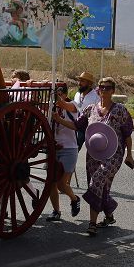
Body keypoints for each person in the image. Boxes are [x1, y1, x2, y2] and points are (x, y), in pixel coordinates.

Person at [73, 77, 134, 236]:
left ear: (113, 91)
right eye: (101, 87)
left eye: (107, 88)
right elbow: (77, 126)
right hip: (93, 154)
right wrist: (58, 119)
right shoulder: (90, 109)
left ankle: (92, 224)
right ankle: (109, 216)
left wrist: (130, 155)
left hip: (114, 155)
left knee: (97, 181)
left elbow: (127, 134)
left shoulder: (120, 110)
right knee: (102, 187)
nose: (104, 90)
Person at [46, 85, 82, 222]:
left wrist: (53, 95)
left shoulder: (72, 105)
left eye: (60, 92)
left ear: (65, 93)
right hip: (54, 148)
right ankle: (56, 211)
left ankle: (74, 199)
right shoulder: (51, 106)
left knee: (62, 184)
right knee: (51, 183)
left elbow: (62, 103)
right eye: (56, 93)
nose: (57, 96)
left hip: (69, 148)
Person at [72, 71, 100, 149]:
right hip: (76, 125)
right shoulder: (77, 94)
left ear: (89, 84)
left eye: (82, 81)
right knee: (74, 149)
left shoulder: (95, 96)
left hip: (89, 128)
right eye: (79, 81)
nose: (79, 83)